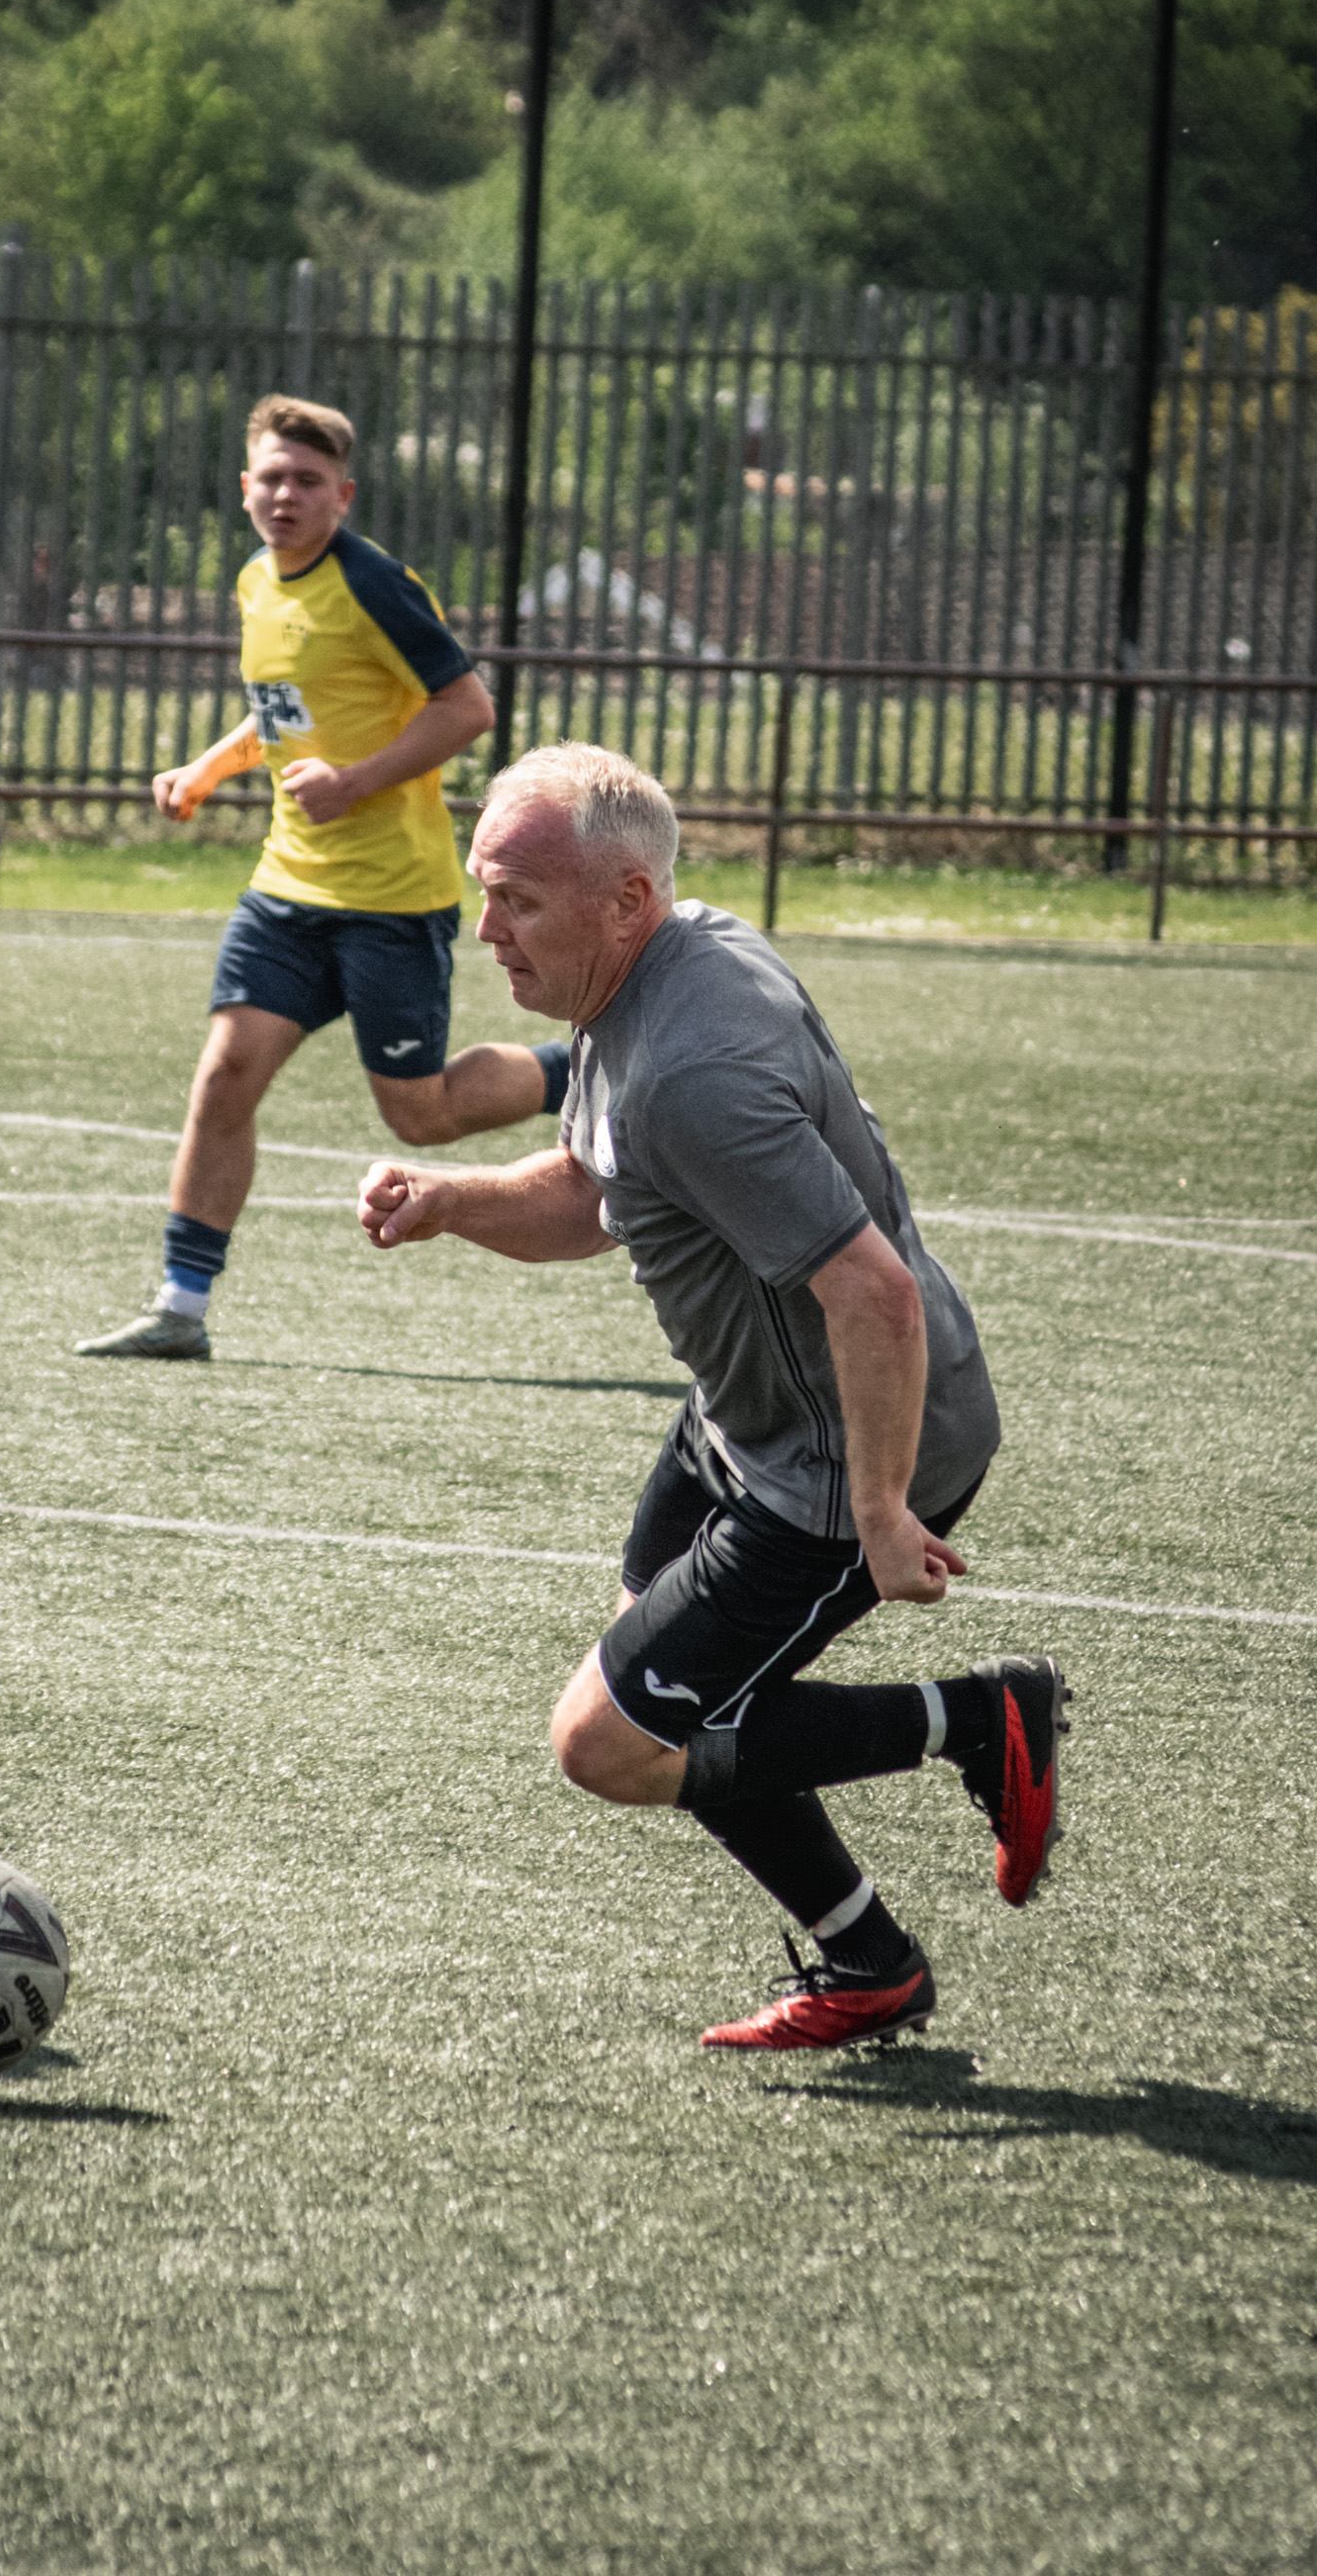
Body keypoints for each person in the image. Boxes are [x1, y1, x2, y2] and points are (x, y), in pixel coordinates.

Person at [358, 742, 1069, 2051]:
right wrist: (452, 1203)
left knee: (612, 1742)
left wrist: (875, 1508)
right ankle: (868, 1963)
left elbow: (873, 1294)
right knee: (669, 1690)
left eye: (517, 897)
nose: (485, 927)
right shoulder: (672, 957)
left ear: (627, 899)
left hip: (839, 1451)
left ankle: (982, 1719)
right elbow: (593, 1195)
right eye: (484, 889)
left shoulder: (691, 1072)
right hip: (748, 1420)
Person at [78, 393, 568, 1361]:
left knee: (419, 1117)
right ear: (245, 488)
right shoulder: (257, 581)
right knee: (223, 1076)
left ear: (341, 495)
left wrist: (354, 783)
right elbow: (285, 711)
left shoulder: (376, 585)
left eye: (308, 481)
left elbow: (467, 707)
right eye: (271, 477)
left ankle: (573, 1069)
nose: (286, 495)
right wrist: (206, 769)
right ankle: (180, 1307)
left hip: (390, 899)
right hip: (286, 893)